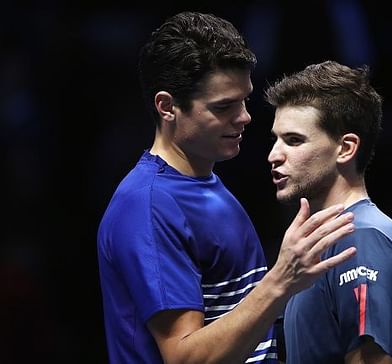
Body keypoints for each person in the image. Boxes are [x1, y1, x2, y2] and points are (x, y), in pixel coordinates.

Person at [97, 12, 357, 364]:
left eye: (244, 100)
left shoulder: (208, 185)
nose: (245, 117)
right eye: (224, 107)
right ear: (167, 106)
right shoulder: (147, 206)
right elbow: (185, 357)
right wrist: (280, 280)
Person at [265, 60, 392, 363]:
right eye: (275, 139)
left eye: (293, 140)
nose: (274, 155)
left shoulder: (361, 238)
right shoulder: (321, 244)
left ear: (346, 148)